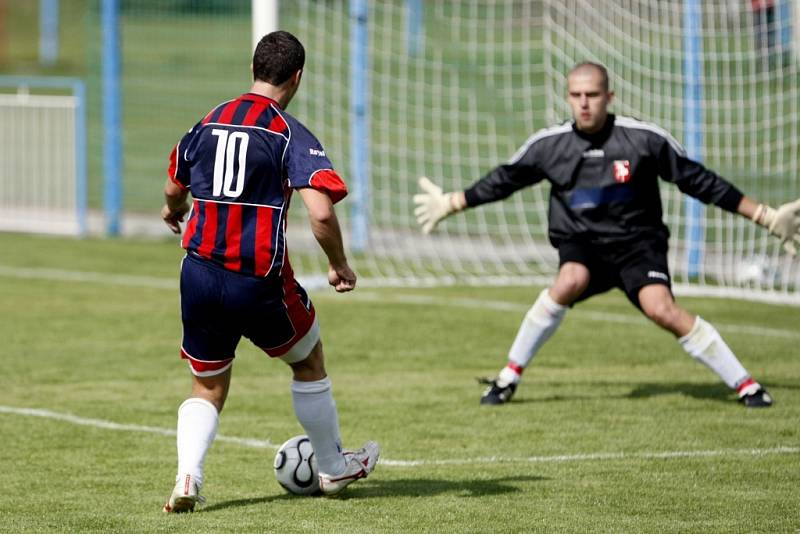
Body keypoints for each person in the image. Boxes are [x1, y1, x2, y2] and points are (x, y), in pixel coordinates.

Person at [414, 62, 800, 408]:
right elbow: (504, 180)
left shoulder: (643, 140)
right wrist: (452, 203)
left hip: (638, 244)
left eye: (593, 95)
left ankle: (746, 385)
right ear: (567, 97)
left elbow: (698, 181)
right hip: (582, 243)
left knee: (661, 309)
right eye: (576, 95)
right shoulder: (549, 146)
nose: (584, 103)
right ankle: (508, 377)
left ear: (609, 97)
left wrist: (764, 216)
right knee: (570, 279)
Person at [159, 31, 379, 512]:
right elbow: (320, 213)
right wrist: (339, 264)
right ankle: (333, 466)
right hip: (256, 279)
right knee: (308, 360)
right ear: (297, 76)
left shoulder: (210, 119)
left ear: (253, 68)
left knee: (208, 384)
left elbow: (176, 181)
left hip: (196, 272)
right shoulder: (288, 131)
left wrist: (171, 209)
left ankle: (188, 477)